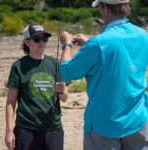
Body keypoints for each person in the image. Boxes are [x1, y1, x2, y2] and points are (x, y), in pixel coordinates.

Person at [60, 0, 148, 149]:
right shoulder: (143, 35)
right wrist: (90, 44)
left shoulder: (98, 44)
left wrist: (66, 45)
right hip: (138, 119)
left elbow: (67, 72)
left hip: (104, 124)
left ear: (106, 9)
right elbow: (125, 61)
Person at [5, 24, 69, 150]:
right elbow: (10, 102)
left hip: (53, 128)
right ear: (27, 42)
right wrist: (8, 131)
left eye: (44, 38)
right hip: (26, 129)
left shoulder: (55, 64)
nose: (42, 42)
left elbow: (65, 98)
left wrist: (62, 91)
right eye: (37, 39)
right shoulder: (18, 66)